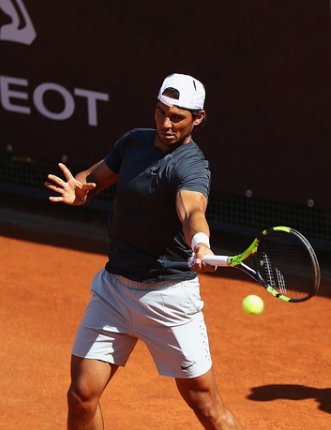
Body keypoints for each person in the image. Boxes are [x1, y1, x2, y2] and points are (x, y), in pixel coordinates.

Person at [45, 73, 242, 430]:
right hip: (114, 291)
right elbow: (96, 176)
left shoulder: (190, 166)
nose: (165, 123)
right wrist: (81, 187)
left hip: (167, 299)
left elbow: (192, 211)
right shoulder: (133, 142)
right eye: (161, 112)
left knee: (206, 406)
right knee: (81, 396)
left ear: (198, 118)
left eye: (177, 117)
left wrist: (200, 243)